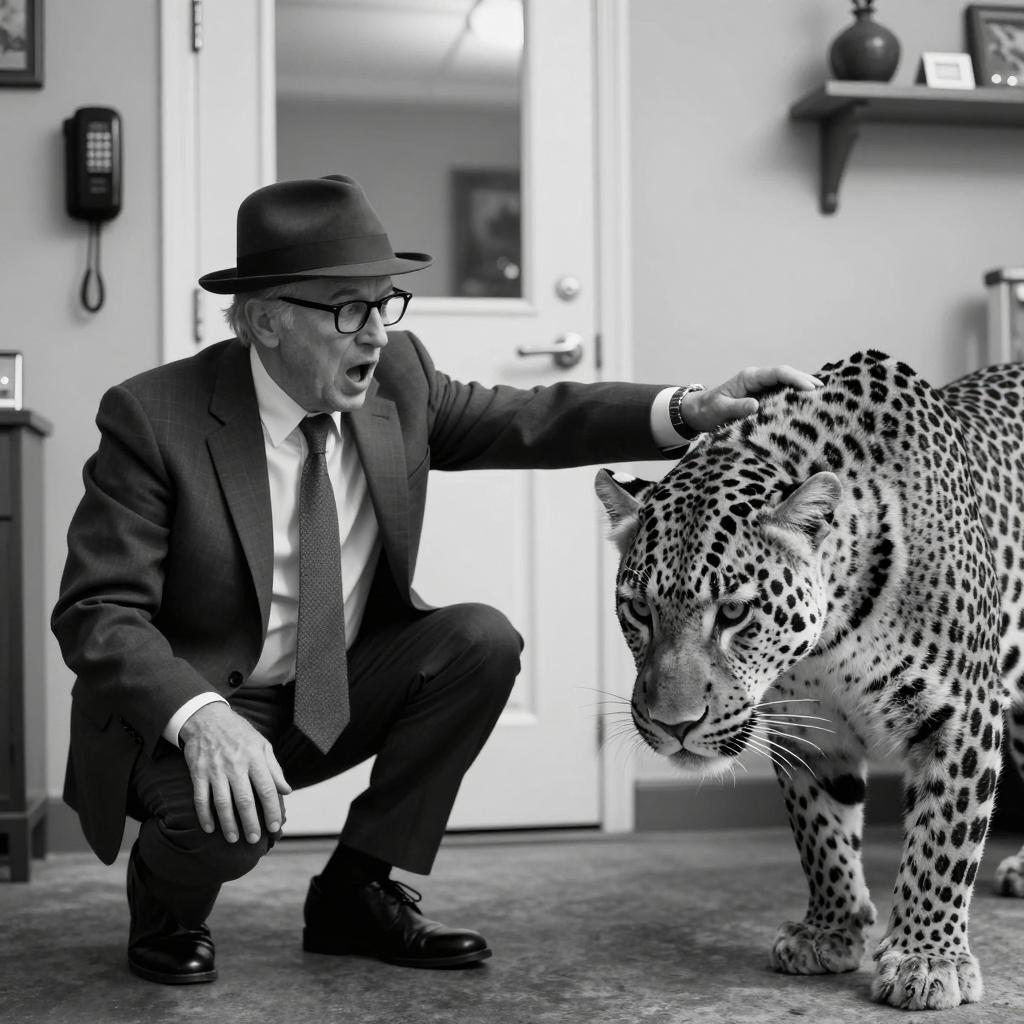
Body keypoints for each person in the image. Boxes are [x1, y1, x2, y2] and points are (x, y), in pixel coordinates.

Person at [51, 174, 822, 985]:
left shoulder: (399, 380)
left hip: (331, 688)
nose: (375, 335)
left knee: (478, 643)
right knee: (224, 823)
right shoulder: (155, 418)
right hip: (199, 706)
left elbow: (530, 418)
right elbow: (97, 610)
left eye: (384, 304)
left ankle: (356, 891)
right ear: (268, 319)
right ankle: (167, 911)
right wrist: (202, 717)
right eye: (348, 309)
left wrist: (689, 408)